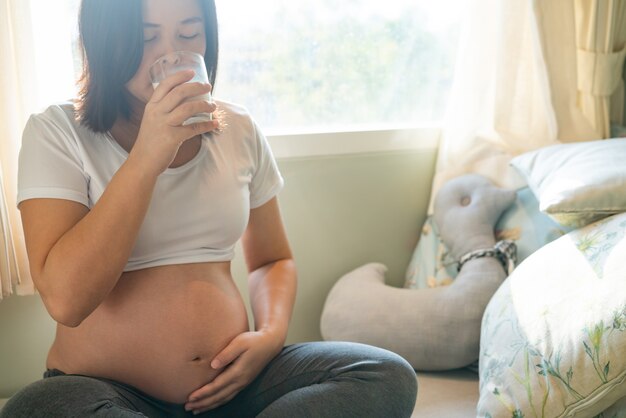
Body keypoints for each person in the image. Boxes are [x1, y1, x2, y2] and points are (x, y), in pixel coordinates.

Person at [1, 0, 417, 417]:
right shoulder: (56, 132)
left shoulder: (238, 128)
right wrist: (148, 156)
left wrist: (270, 335)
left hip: (234, 390)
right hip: (105, 393)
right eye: (146, 37)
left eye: (187, 33)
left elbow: (272, 260)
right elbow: (66, 300)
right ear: (103, 40)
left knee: (382, 373)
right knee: (37, 408)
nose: (169, 53)